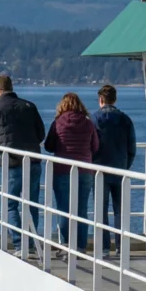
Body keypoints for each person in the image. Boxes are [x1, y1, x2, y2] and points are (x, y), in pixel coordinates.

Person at [0, 74, 46, 249]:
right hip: (34, 160)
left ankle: (19, 243)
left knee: (11, 204)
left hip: (12, 163)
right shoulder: (29, 106)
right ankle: (32, 242)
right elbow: (41, 134)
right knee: (32, 203)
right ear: (12, 89)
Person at [44, 93, 99, 254]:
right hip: (84, 170)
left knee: (64, 209)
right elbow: (95, 146)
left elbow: (48, 145)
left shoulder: (57, 123)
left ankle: (66, 246)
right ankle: (81, 247)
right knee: (81, 210)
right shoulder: (88, 124)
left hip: (62, 169)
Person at [91, 83, 137, 256]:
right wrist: (126, 165)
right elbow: (132, 147)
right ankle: (121, 247)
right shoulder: (125, 120)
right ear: (115, 99)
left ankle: (104, 248)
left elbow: (90, 145)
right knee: (120, 210)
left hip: (99, 170)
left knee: (101, 211)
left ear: (100, 100)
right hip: (120, 169)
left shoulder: (94, 119)